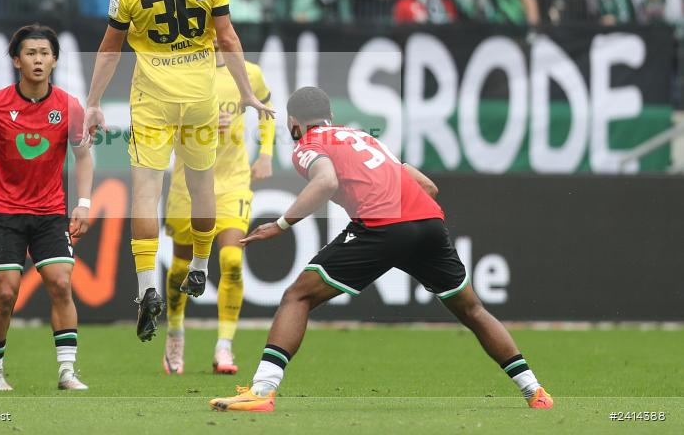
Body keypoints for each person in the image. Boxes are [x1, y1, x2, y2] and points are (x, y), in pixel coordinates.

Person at [209, 86, 554, 412]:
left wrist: (281, 224)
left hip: (381, 226)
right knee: (473, 310)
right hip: (428, 223)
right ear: (330, 115)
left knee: (297, 297)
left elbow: (326, 181)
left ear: (293, 123)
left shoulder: (308, 145)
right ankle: (534, 390)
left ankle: (263, 391)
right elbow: (428, 187)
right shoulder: (366, 138)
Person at [83, 0, 274, 343]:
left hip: (152, 99)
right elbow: (227, 38)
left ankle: (146, 287)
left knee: (146, 191)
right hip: (202, 98)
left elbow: (110, 49)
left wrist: (93, 102)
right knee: (202, 184)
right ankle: (202, 266)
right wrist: (246, 93)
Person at [0, 24, 92, 392]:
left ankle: (67, 372)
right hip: (5, 214)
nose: (38, 60)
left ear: (55, 60)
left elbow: (83, 155)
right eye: (30, 53)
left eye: (45, 53)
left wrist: (83, 203)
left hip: (50, 213)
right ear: (16, 60)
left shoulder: (68, 106)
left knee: (61, 284)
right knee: (6, 293)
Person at [163, 40, 275, 375]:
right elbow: (162, 128)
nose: (212, 37)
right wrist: (201, 126)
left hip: (233, 180)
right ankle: (175, 334)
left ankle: (224, 347)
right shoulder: (179, 74)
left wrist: (266, 153)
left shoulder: (248, 73)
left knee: (230, 258)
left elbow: (266, 109)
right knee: (182, 265)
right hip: (189, 185)